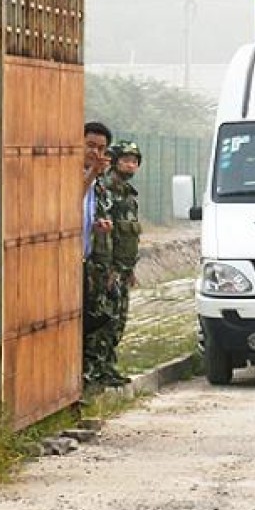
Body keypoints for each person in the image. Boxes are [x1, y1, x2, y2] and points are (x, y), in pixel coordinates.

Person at [101, 140, 145, 386]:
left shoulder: (128, 195)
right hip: (109, 269)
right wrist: (111, 268)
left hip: (123, 269)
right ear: (115, 161)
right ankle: (96, 372)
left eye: (134, 161)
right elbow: (106, 235)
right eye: (126, 159)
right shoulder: (107, 191)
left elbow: (128, 237)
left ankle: (108, 368)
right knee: (105, 322)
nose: (131, 164)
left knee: (118, 321)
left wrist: (129, 269)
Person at [82, 122, 117, 387]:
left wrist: (97, 225)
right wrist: (92, 174)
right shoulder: (72, 174)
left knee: (98, 317)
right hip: (65, 260)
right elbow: (67, 199)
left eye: (102, 148)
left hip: (87, 259)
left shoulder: (95, 182)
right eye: (91, 145)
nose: (96, 152)